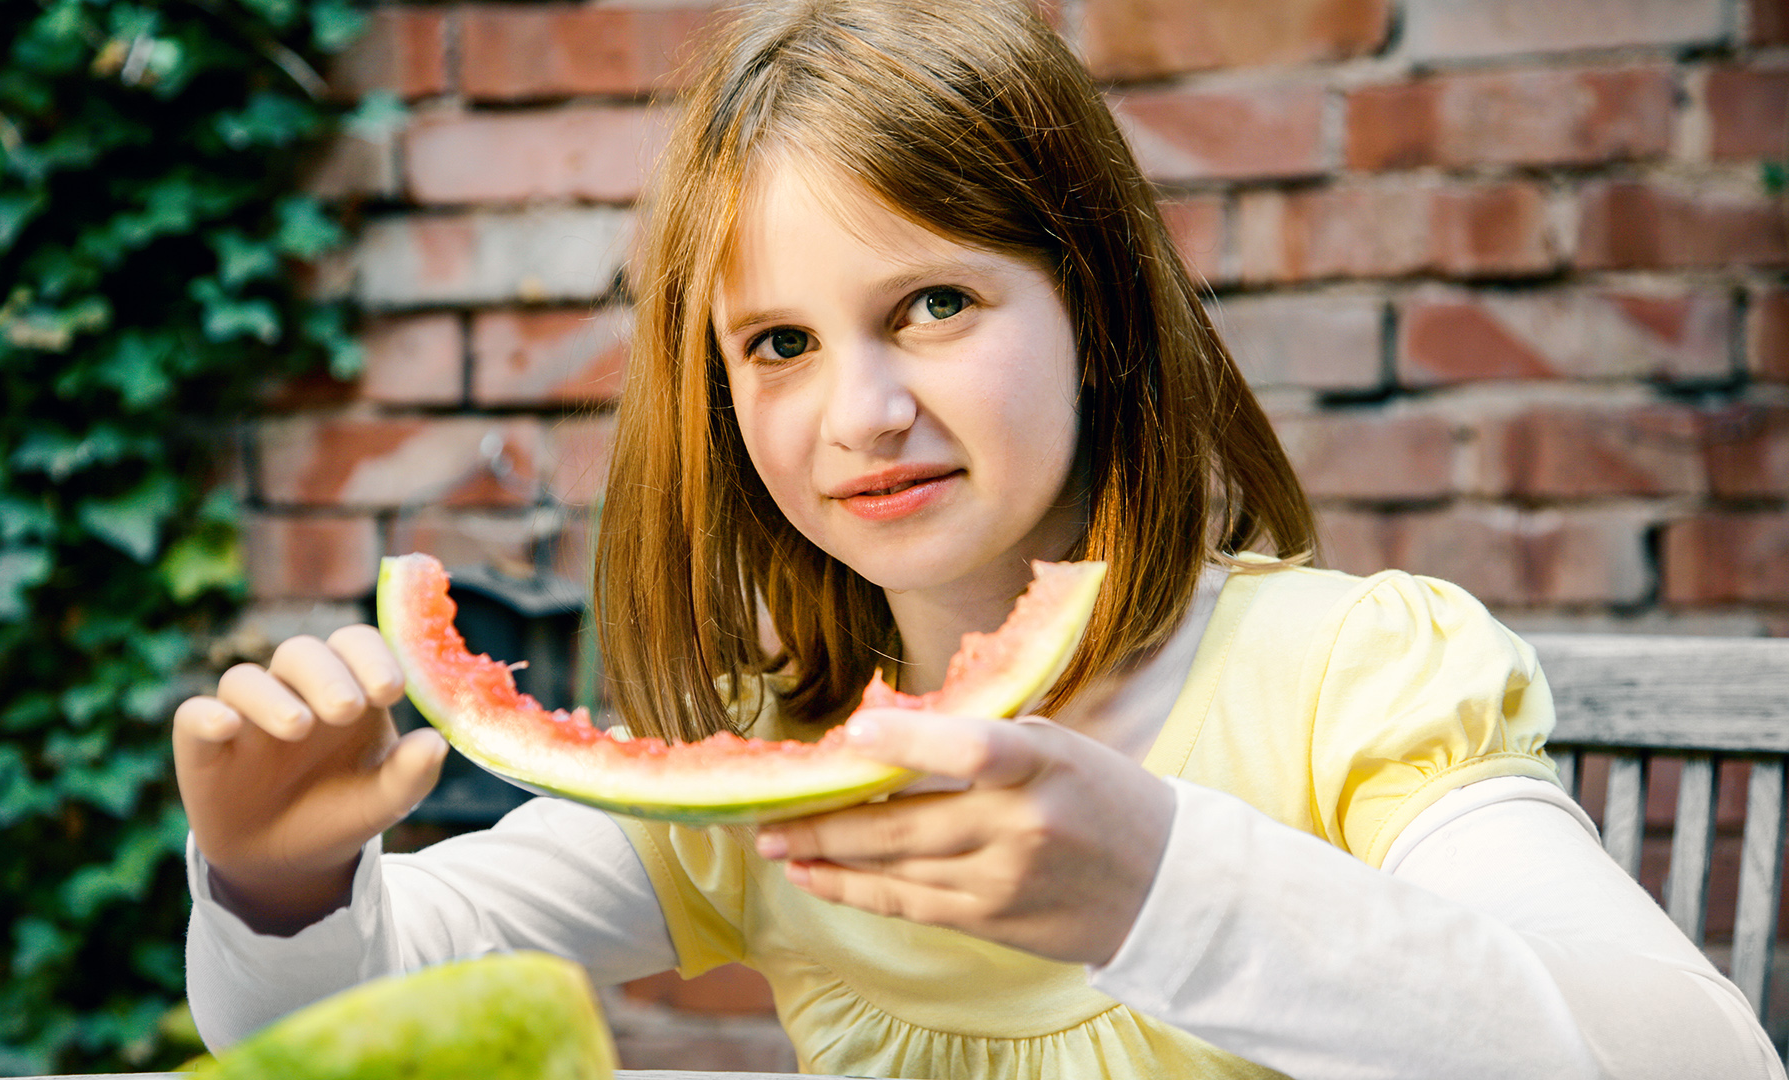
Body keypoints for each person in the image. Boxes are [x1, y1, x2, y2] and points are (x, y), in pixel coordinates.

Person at [172, 1, 1782, 1076]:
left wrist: (1163, 888)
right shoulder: (776, 761)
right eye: (778, 345)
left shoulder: (1346, 682)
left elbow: (1690, 1065)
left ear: (1092, 311)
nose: (859, 412)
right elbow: (351, 1015)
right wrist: (276, 886)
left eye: (933, 303)